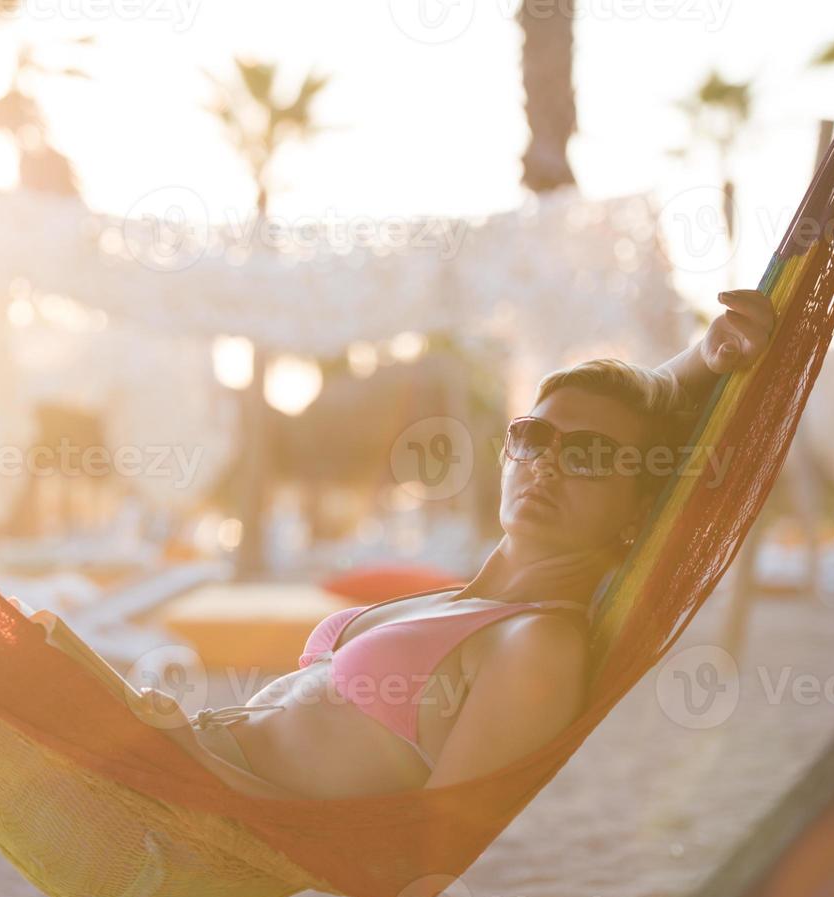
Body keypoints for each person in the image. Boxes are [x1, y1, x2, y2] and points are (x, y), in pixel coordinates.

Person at [56, 289, 773, 800]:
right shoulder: (469, 601)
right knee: (24, 645)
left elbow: (431, 845)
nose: (545, 463)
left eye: (584, 455)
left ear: (636, 505)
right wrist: (699, 360)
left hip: (185, 802)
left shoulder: (537, 645)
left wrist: (191, 770)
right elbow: (625, 423)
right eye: (532, 438)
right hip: (166, 755)